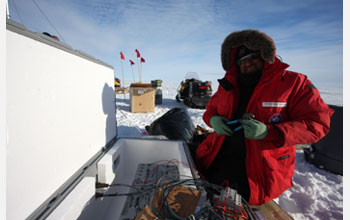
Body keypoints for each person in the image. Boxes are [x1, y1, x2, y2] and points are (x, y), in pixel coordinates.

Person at [195, 29, 334, 206]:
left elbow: (318, 123)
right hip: (219, 156)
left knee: (232, 207)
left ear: (264, 55)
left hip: (259, 169)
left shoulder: (294, 82)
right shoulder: (228, 85)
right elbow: (210, 110)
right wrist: (213, 120)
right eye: (242, 60)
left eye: (253, 57)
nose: (247, 63)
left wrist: (270, 132)